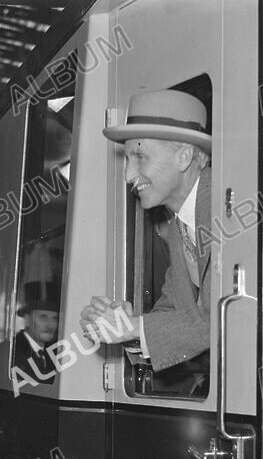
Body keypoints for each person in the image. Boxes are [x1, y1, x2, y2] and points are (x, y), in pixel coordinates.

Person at [80, 89, 213, 373]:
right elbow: (175, 313)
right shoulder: (181, 225)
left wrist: (132, 327)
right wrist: (125, 328)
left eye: (139, 157)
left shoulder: (221, 206)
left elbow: (221, 316)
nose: (128, 175)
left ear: (184, 156)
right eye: (127, 160)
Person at [11, 281, 60, 385]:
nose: (50, 325)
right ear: (27, 320)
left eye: (55, 318)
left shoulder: (58, 352)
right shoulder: (10, 353)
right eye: (43, 317)